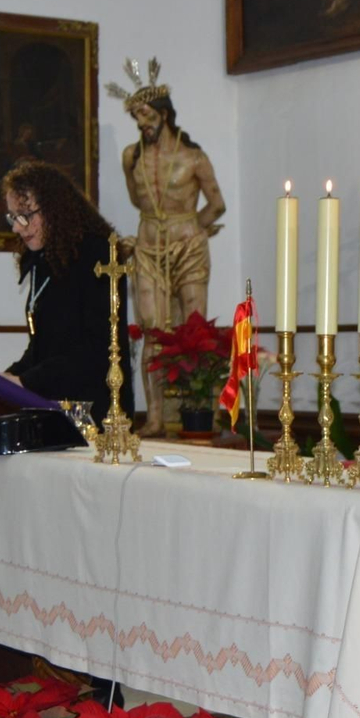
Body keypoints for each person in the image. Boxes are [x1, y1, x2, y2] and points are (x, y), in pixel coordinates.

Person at [107, 59, 226, 436]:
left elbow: (217, 204)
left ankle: (204, 414)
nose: (141, 123)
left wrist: (193, 228)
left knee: (196, 331)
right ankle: (155, 418)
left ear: (164, 114)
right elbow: (136, 200)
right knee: (152, 331)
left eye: (146, 114)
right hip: (148, 249)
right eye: (136, 117)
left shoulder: (194, 158)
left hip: (188, 247)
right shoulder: (132, 157)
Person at [0, 159, 134, 413]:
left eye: (25, 216)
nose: (17, 227)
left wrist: (27, 382)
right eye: (13, 217)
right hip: (53, 403)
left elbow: (95, 348)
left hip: (96, 407)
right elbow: (43, 346)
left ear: (54, 209)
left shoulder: (97, 254)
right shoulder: (46, 258)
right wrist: (8, 378)